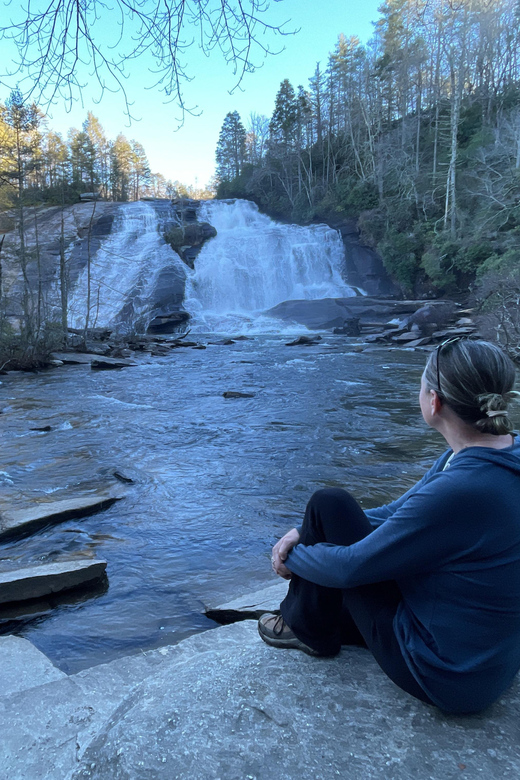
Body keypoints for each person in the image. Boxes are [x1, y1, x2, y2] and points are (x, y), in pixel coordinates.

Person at [258, 339, 520, 714]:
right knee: (331, 508)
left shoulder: (464, 488)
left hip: (445, 673)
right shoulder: (494, 454)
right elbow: (400, 512)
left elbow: (352, 567)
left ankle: (307, 629)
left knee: (326, 504)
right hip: (485, 654)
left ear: (434, 402)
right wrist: (302, 532)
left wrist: (294, 555)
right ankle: (320, 618)